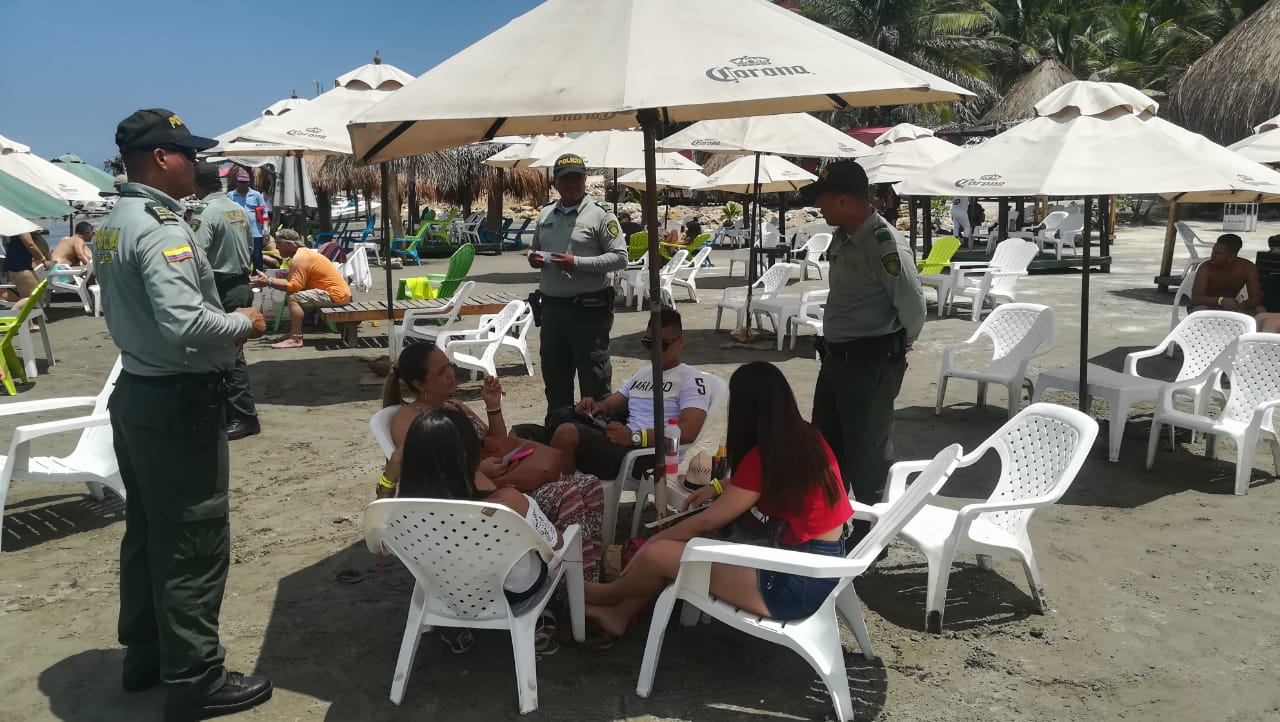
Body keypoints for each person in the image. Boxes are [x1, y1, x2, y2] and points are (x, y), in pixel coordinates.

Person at [95, 108, 271, 720]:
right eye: (188, 154)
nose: (196, 165)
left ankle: (145, 656)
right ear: (162, 157)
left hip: (137, 393)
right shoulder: (162, 227)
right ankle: (196, 678)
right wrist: (243, 322)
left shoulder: (114, 221)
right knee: (193, 539)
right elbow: (186, 323)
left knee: (146, 531)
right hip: (176, 401)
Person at [584, 361, 851, 636]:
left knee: (658, 553)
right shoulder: (802, 437)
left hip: (792, 584)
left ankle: (609, 594)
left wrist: (656, 539)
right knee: (677, 548)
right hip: (820, 564)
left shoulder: (763, 456)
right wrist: (721, 485)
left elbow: (707, 520)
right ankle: (619, 613)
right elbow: (756, 482)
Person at [378, 342, 604, 581]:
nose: (451, 374)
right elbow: (433, 472)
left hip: (495, 491)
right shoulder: (414, 422)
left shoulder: (454, 407)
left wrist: (493, 406)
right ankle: (573, 586)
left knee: (589, 486)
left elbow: (496, 442)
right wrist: (475, 469)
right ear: (419, 384)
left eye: (450, 366)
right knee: (570, 495)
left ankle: (585, 578)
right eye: (441, 372)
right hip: (480, 509)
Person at [800, 160, 925, 535]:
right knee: (826, 449)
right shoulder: (843, 236)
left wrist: (900, 348)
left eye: (821, 201)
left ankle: (875, 536)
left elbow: (914, 307)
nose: (818, 209)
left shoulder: (883, 244)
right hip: (837, 360)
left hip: (870, 365)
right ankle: (833, 527)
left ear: (842, 200)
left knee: (867, 456)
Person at [398, 407, 562, 607]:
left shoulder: (401, 510)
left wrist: (388, 479)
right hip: (511, 592)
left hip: (445, 592)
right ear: (469, 454)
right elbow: (556, 545)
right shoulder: (505, 502)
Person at [548, 308, 710, 480]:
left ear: (680, 342)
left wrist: (636, 437)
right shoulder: (643, 374)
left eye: (662, 345)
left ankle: (562, 499)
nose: (654, 350)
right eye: (648, 343)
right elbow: (608, 405)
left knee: (566, 434)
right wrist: (592, 405)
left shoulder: (690, 380)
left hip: (648, 455)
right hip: (618, 442)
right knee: (526, 434)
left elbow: (688, 432)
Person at [529, 153, 628, 418]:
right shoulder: (545, 213)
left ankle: (596, 439)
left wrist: (577, 263)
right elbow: (535, 249)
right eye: (565, 179)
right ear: (556, 183)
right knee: (555, 381)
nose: (571, 184)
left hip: (587, 313)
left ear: (584, 180)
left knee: (594, 382)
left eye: (576, 178)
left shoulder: (601, 216)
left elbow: (620, 258)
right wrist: (534, 259)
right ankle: (558, 433)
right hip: (551, 312)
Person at [192, 161, 260, 440]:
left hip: (221, 287)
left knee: (227, 353)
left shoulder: (205, 213)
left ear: (197, 184)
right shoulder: (238, 209)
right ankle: (238, 413)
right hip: (241, 282)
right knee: (233, 350)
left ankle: (243, 416)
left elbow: (197, 256)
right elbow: (250, 244)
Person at [248, 229, 350, 349]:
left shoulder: (300, 258)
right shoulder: (301, 254)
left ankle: (295, 339)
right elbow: (293, 284)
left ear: (289, 245)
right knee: (292, 294)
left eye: (279, 244)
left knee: (294, 298)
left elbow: (295, 286)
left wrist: (268, 281)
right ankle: (293, 333)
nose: (276, 247)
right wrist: (267, 280)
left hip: (335, 295)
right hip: (336, 293)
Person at [1191, 234, 1280, 332]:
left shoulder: (1247, 268)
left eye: (1217, 253)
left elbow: (1256, 298)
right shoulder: (1206, 268)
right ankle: (1201, 344)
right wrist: (1221, 300)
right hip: (1208, 305)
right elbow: (1196, 299)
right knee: (1200, 310)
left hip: (1234, 306)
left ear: (1230, 257)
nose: (1212, 255)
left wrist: (1243, 304)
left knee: (1260, 310)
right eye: (1213, 251)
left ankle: (1253, 343)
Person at [227, 168, 269, 272]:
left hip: (255, 232)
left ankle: (258, 277)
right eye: (241, 182)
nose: (243, 184)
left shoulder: (256, 195)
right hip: (237, 231)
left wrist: (265, 228)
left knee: (257, 256)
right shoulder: (231, 195)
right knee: (240, 255)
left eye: (245, 182)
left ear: (248, 182)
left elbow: (264, 211)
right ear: (236, 182)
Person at [1, 231, 51, 307]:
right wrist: (43, 260)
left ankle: (24, 317)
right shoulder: (22, 229)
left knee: (27, 298)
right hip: (22, 267)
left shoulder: (10, 233)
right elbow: (30, 245)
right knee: (31, 298)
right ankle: (15, 315)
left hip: (13, 267)